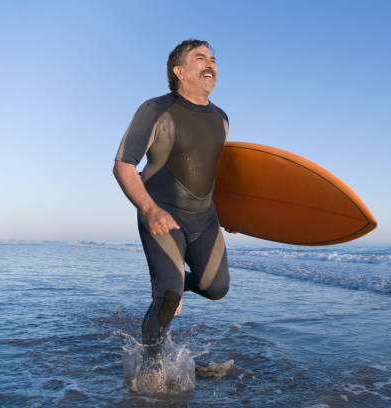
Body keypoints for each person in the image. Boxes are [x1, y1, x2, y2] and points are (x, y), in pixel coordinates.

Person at [113, 40, 230, 358]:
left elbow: (211, 173)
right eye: (200, 58)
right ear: (179, 71)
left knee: (216, 288)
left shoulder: (221, 119)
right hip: (162, 213)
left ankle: (179, 283)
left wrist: (236, 214)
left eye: (213, 59)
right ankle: (151, 369)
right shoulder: (155, 109)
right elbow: (123, 163)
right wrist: (148, 209)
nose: (211, 64)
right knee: (167, 297)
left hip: (204, 219)